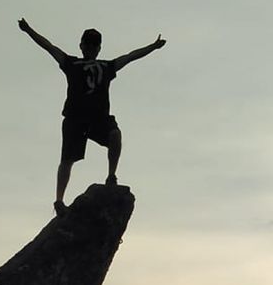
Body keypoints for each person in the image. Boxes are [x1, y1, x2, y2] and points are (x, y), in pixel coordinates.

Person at [18, 18, 166, 215]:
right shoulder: (70, 62)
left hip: (98, 118)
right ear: (81, 45)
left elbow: (130, 57)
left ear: (99, 48)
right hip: (75, 117)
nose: (91, 47)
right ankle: (59, 201)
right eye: (88, 44)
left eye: (94, 45)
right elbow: (48, 46)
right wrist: (29, 30)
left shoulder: (107, 66)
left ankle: (111, 176)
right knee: (67, 159)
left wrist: (153, 47)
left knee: (115, 135)